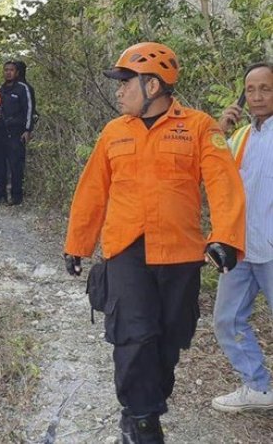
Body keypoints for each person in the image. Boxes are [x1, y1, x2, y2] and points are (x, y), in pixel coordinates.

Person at [63, 42, 246, 444]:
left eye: (125, 82)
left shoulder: (198, 127)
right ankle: (140, 418)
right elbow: (93, 190)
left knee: (170, 335)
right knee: (134, 334)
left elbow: (223, 184)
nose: (118, 90)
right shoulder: (114, 132)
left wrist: (225, 238)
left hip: (180, 251)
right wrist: (77, 243)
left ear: (152, 85)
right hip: (126, 250)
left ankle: (151, 399)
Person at [211, 62, 273, 413]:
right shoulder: (240, 137)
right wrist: (220, 131)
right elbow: (215, 176)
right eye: (251, 90)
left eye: (265, 88)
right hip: (241, 249)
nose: (257, 96)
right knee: (227, 319)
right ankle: (257, 387)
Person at [0, 60, 34, 205]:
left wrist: (27, 130)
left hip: (16, 133)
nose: (8, 72)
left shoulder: (23, 88)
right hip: (0, 132)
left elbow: (29, 110)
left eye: (11, 70)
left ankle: (16, 196)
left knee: (16, 165)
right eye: (6, 70)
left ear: (17, 72)